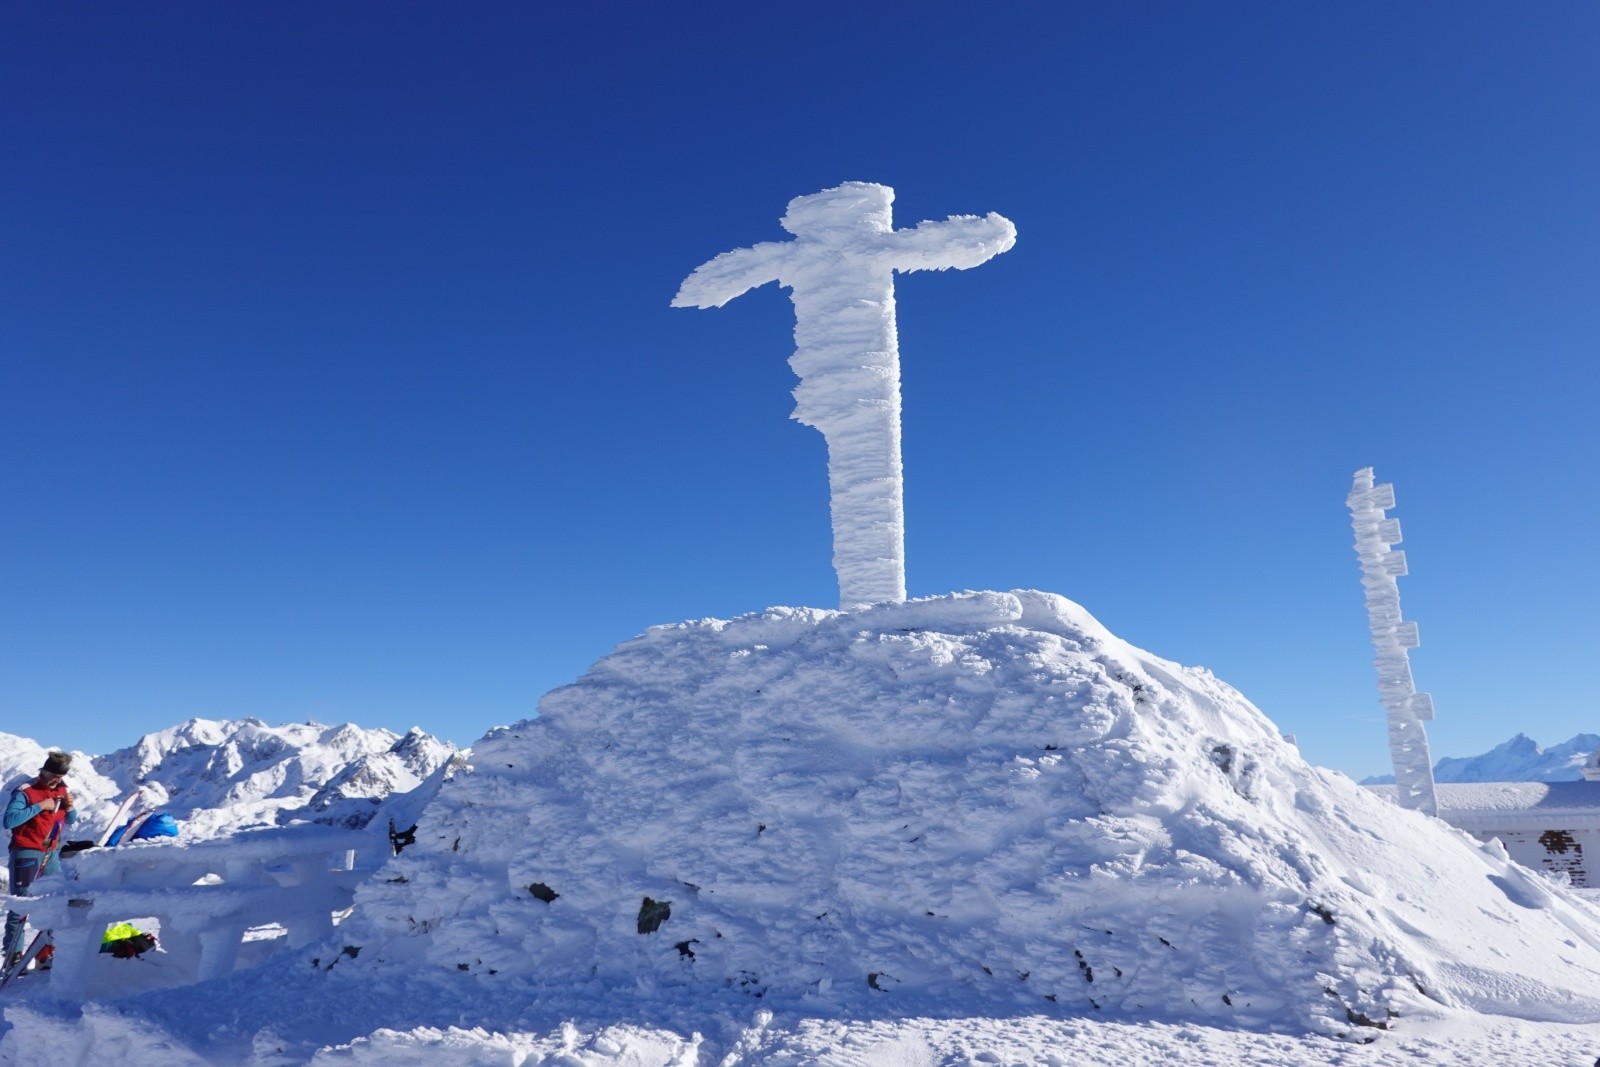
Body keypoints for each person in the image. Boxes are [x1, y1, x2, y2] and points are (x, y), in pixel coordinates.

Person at [4, 751, 77, 968]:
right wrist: (39, 806)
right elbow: (9, 820)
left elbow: (71, 819)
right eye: (52, 774)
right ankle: (13, 958)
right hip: (26, 852)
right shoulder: (26, 791)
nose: (56, 779)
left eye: (60, 776)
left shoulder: (63, 791)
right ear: (43, 771)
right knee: (22, 905)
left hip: (50, 853)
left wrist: (70, 806)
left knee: (55, 902)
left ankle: (45, 953)